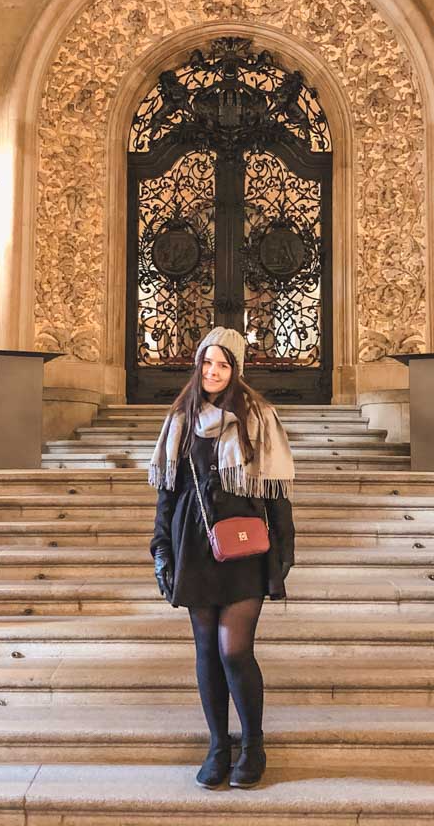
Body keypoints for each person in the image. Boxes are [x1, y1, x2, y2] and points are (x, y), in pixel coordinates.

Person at [148, 327, 296, 790]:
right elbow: (167, 495)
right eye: (208, 363)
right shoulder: (180, 417)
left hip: (245, 545)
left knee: (235, 649)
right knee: (207, 651)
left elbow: (276, 494)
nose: (213, 372)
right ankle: (218, 744)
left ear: (236, 369)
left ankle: (253, 744)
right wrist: (161, 549)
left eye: (223, 364)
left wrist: (283, 555)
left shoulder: (259, 416)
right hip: (194, 545)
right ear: (198, 365)